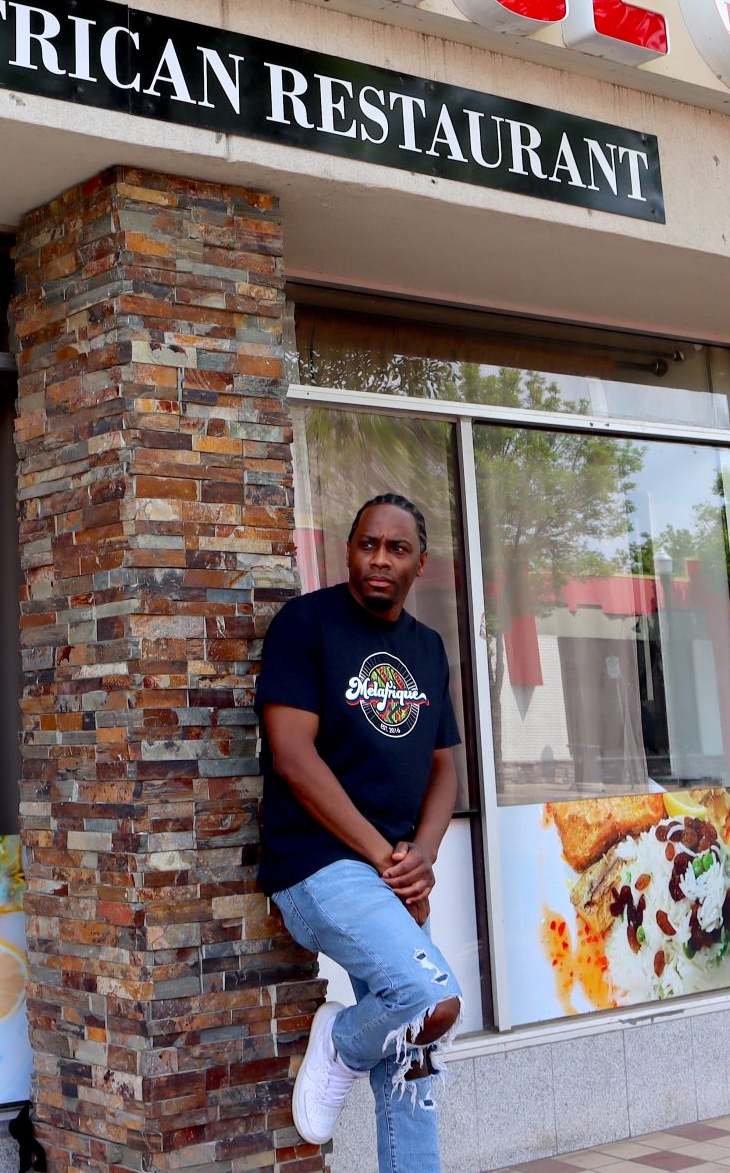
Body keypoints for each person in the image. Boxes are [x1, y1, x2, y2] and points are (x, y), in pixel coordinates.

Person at [258, 493, 463, 1167]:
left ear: (420, 563)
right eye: (367, 544)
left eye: (396, 548)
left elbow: (443, 767)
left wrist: (422, 856)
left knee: (415, 1060)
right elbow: (292, 754)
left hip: (393, 873)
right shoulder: (307, 624)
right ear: (349, 550)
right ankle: (343, 1039)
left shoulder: (427, 648)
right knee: (430, 1001)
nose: (379, 559)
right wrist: (384, 855)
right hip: (320, 864)